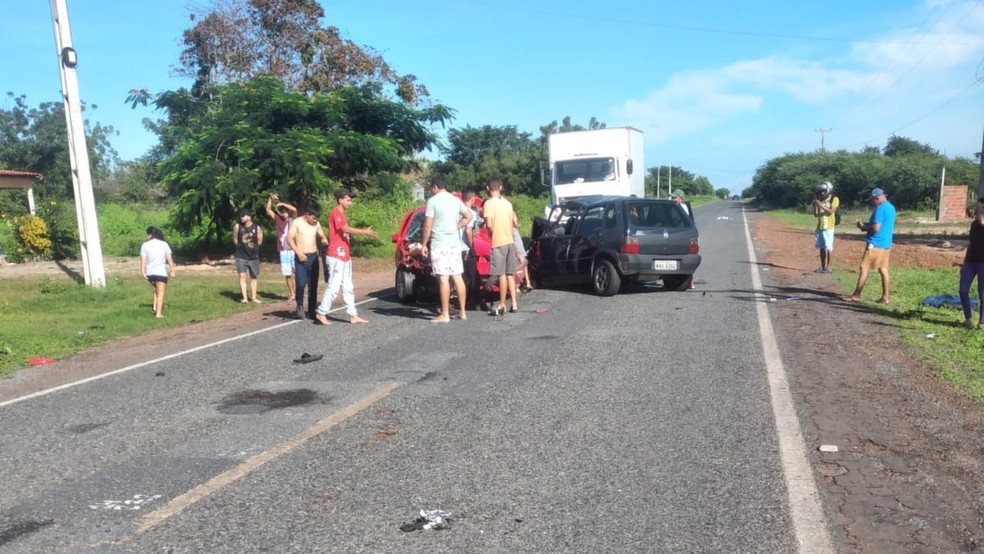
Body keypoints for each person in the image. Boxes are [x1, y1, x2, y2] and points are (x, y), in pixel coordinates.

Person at [314, 188, 378, 326]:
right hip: (336, 255)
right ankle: (321, 312)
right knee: (334, 286)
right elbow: (345, 229)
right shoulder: (336, 214)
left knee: (348, 286)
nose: (350, 203)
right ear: (340, 199)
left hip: (344, 255)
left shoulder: (342, 215)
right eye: (348, 200)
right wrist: (365, 232)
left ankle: (353, 315)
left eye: (350, 200)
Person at [421, 175, 473, 323]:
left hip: (439, 245)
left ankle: (445, 314)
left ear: (435, 187)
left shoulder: (432, 201)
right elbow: (468, 216)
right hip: (454, 245)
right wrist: (456, 226)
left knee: (443, 279)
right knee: (457, 277)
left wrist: (424, 243)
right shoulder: (455, 200)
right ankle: (463, 312)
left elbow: (427, 225)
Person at [848, 188, 896, 304]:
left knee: (864, 268)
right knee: (883, 269)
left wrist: (863, 228)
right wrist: (866, 225)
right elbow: (881, 224)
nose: (871, 203)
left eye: (872, 200)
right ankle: (885, 297)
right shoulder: (891, 207)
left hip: (875, 243)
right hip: (886, 244)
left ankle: (856, 295)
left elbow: (875, 228)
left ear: (877, 198)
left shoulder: (880, 209)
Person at [483, 178, 520, 315]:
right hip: (510, 241)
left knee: (501, 274)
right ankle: (514, 304)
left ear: (488, 188)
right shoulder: (508, 204)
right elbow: (514, 222)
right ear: (501, 188)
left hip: (498, 242)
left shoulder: (488, 204)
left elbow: (489, 224)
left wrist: (492, 234)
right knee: (511, 273)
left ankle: (502, 303)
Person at [286, 205, 328, 320]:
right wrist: (298, 252)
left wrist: (324, 242)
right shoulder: (297, 222)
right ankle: (299, 305)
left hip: (313, 256)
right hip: (301, 256)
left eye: (316, 218)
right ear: (307, 214)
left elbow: (322, 236)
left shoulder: (316, 224)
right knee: (300, 283)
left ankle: (311, 309)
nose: (315, 220)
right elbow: (289, 238)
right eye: (313, 218)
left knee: (313, 285)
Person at [265, 193, 298, 301]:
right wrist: (270, 198)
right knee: (287, 274)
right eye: (282, 212)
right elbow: (268, 210)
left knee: (297, 273)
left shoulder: (292, 220)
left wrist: (283, 203)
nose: (284, 214)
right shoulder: (278, 220)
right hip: (283, 250)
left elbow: (294, 210)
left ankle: (299, 292)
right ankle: (292, 294)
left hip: (293, 249)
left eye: (285, 212)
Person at [958, 197, 984, 329]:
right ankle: (968, 318)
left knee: (982, 293)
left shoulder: (981, 222)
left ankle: (982, 322)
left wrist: (981, 216)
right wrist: (964, 262)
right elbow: (971, 243)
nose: (976, 209)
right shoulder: (974, 224)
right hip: (970, 261)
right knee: (963, 290)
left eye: (979, 207)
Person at [140, 226, 176, 318]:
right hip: (160, 273)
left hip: (150, 273)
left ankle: (155, 307)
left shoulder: (145, 245)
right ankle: (158, 313)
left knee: (157, 289)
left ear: (151, 235)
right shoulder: (164, 244)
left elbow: (143, 260)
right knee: (161, 292)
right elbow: (169, 258)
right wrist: (172, 270)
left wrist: (143, 272)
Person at [233, 208, 263, 304]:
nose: (241, 218)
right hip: (241, 256)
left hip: (253, 256)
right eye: (240, 216)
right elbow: (235, 239)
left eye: (243, 216)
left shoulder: (256, 227)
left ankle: (254, 297)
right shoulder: (238, 226)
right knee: (242, 276)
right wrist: (240, 247)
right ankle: (245, 298)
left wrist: (254, 248)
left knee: (253, 276)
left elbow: (260, 241)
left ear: (249, 217)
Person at [670, 189, 697, 289]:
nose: (673, 199)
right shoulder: (682, 207)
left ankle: (689, 281)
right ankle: (689, 282)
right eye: (672, 197)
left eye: (675, 197)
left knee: (685, 258)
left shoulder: (681, 208)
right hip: (681, 235)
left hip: (681, 236)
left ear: (681, 198)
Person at [812, 181, 840, 274]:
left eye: (824, 190)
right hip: (820, 226)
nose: (822, 192)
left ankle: (829, 267)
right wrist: (815, 205)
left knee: (828, 247)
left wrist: (820, 205)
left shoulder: (834, 199)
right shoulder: (821, 199)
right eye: (821, 191)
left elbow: (831, 211)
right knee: (821, 247)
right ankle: (822, 266)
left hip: (829, 226)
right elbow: (816, 214)